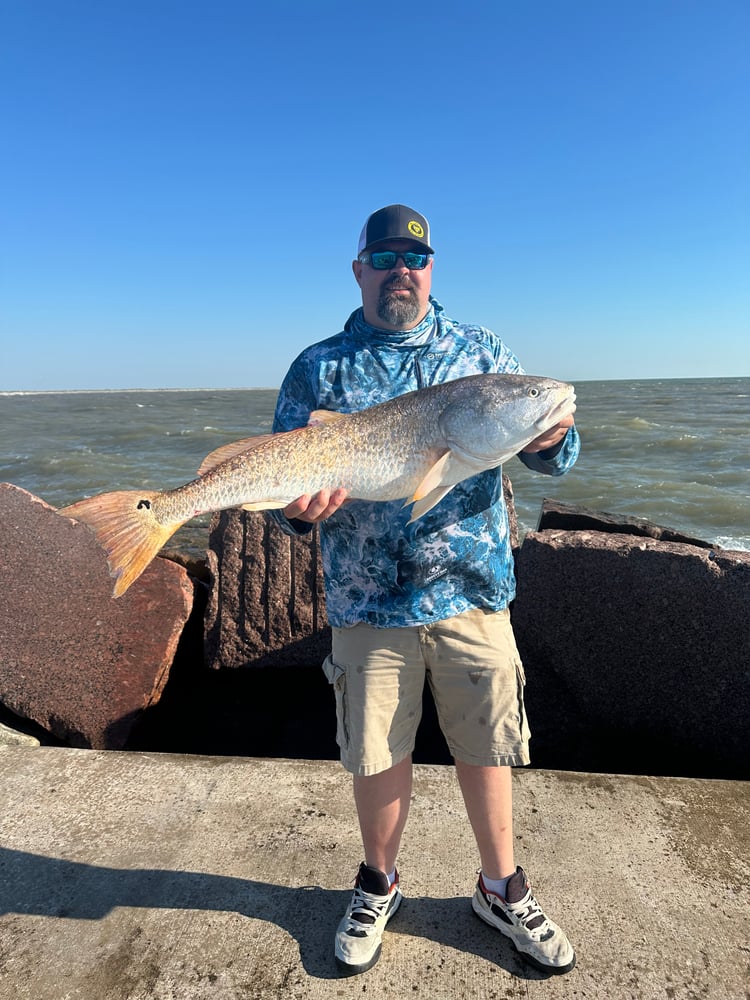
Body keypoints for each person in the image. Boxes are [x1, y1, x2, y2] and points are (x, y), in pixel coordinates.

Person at [269, 204, 580, 977]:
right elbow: (285, 492)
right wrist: (298, 511)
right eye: (383, 258)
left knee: (487, 745)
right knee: (376, 752)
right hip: (367, 601)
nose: (400, 270)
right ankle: (379, 884)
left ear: (431, 269)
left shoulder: (481, 355)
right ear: (360, 270)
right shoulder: (319, 368)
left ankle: (501, 887)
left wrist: (552, 434)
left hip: (471, 589)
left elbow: (555, 457)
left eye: (415, 257)